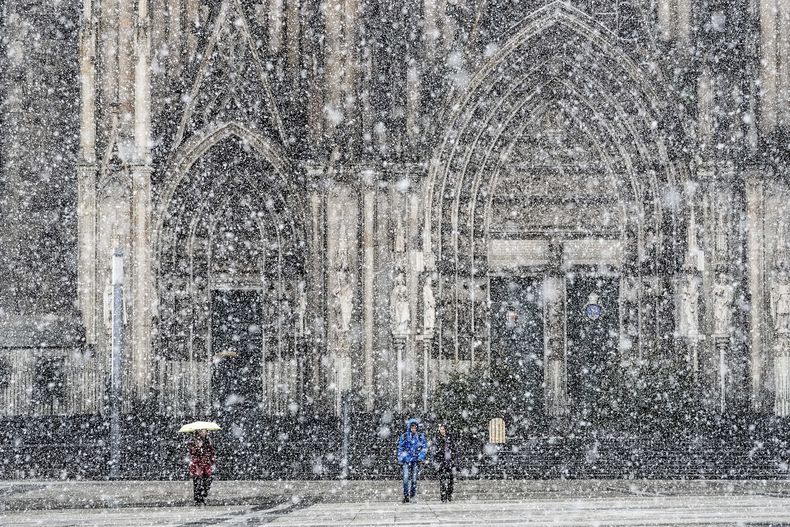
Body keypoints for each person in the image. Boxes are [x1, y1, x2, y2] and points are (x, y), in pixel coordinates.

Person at [397, 418, 428, 503]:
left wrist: (420, 457)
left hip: (415, 461)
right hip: (407, 461)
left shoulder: (420, 436)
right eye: (412, 427)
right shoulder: (405, 436)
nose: (414, 429)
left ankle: (412, 495)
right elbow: (400, 448)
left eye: (415, 427)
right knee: (406, 478)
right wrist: (401, 458)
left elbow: (424, 448)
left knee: (414, 479)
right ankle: (406, 495)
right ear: (409, 427)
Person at [187, 429, 216, 505]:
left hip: (206, 464)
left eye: (205, 431)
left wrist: (212, 459)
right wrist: (198, 448)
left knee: (207, 480)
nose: (204, 432)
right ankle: (198, 499)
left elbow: (212, 451)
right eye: (202, 431)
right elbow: (191, 452)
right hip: (197, 465)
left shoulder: (208, 440)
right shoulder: (193, 440)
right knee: (197, 482)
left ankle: (203, 496)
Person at [431, 423, 456, 502]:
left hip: (449, 461)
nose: (442, 430)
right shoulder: (437, 438)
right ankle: (443, 496)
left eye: (443, 429)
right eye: (441, 429)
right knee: (442, 480)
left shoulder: (450, 438)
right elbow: (435, 450)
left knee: (450, 480)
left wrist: (453, 459)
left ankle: (449, 494)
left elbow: (454, 449)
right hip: (441, 461)